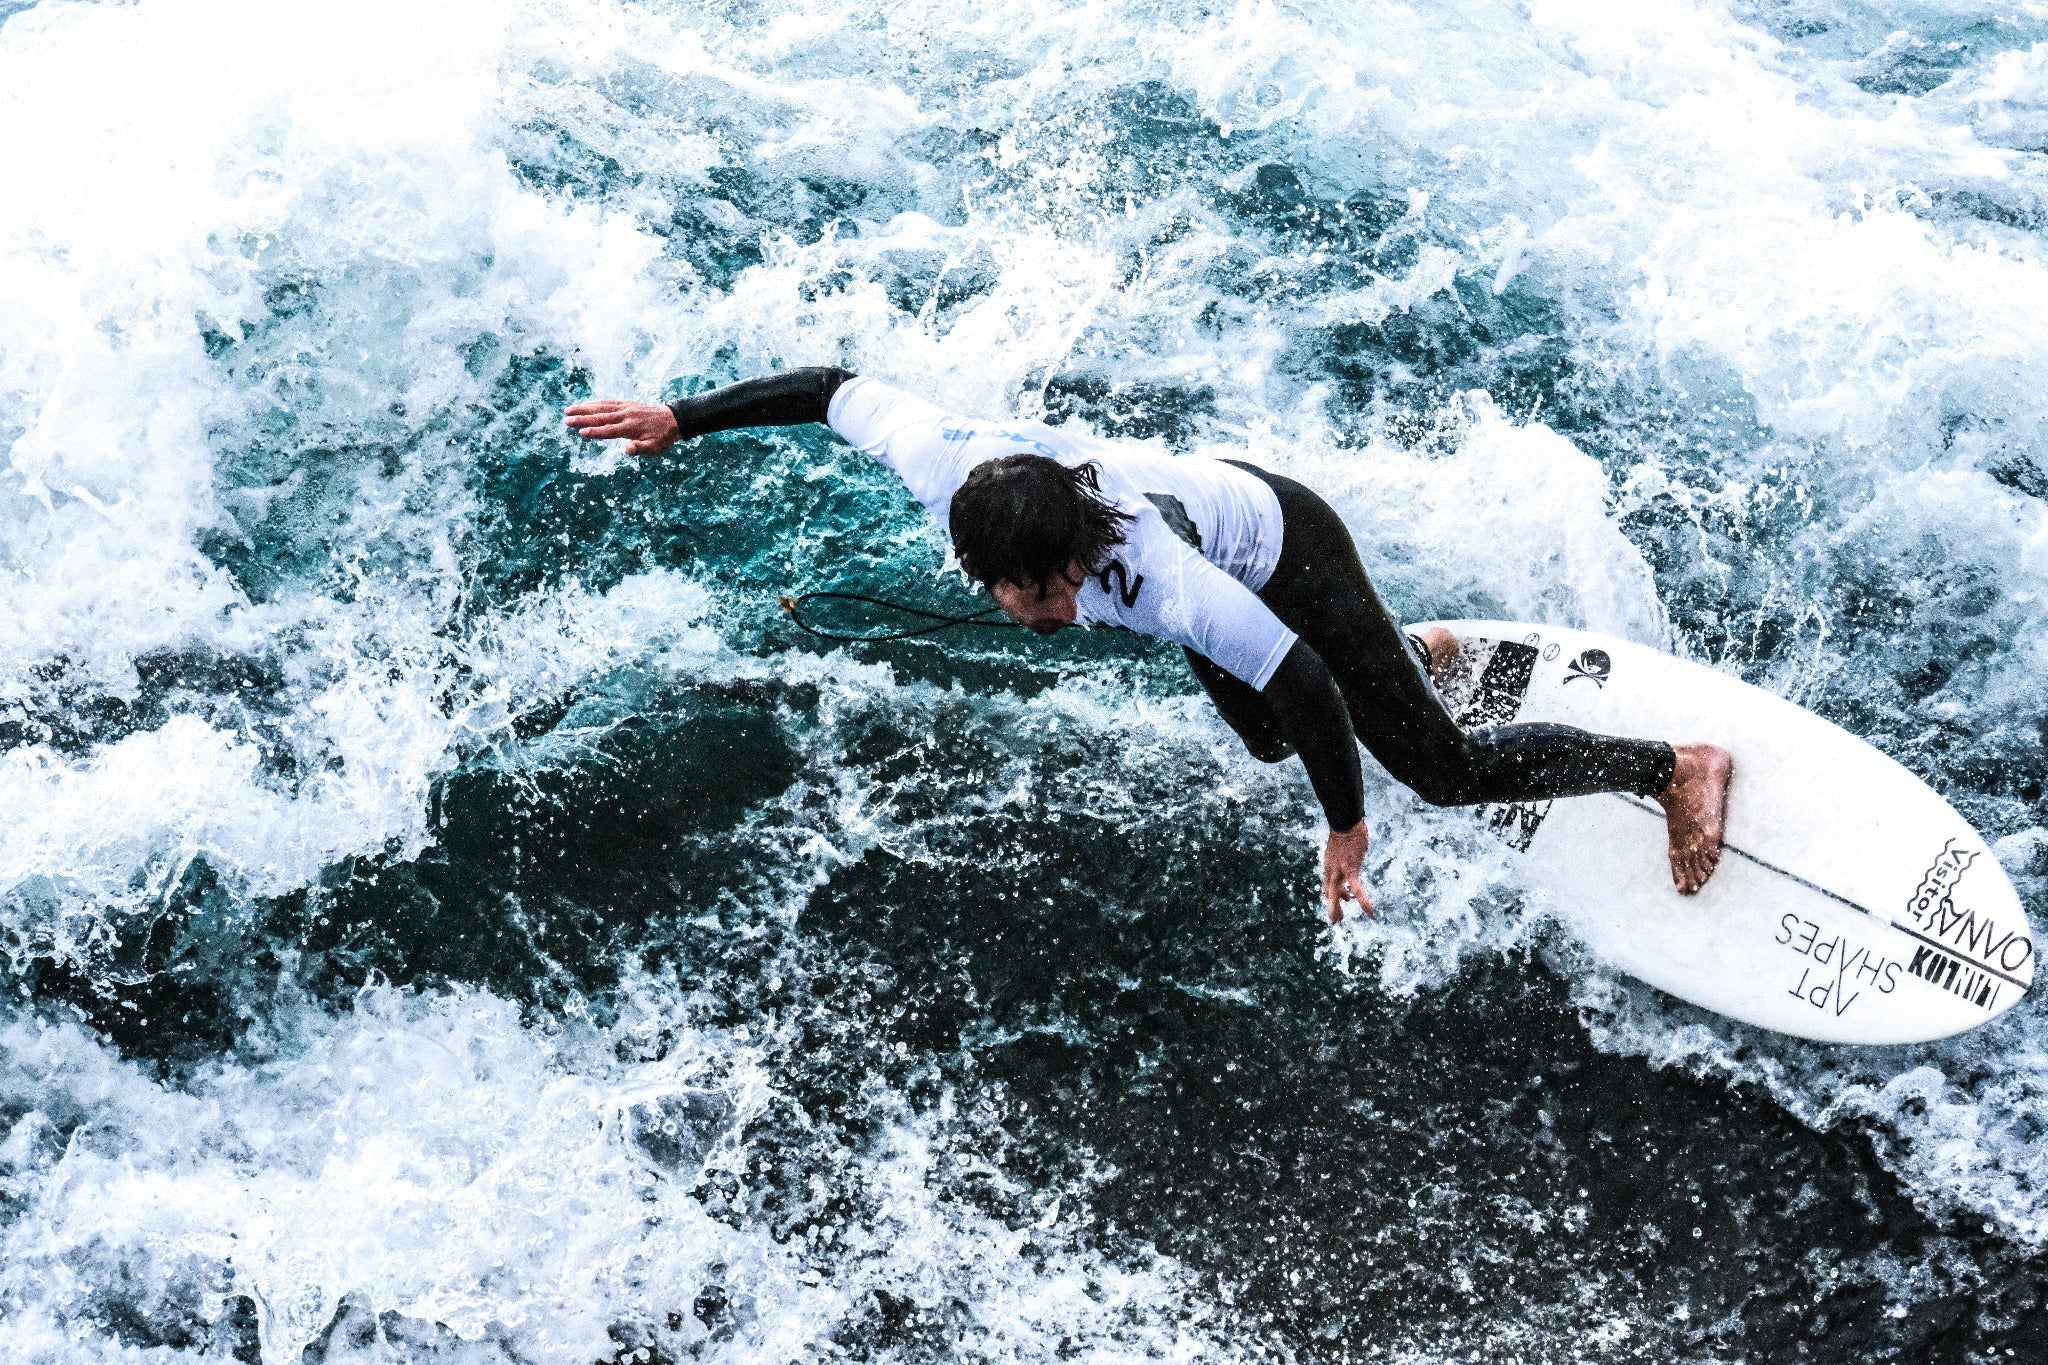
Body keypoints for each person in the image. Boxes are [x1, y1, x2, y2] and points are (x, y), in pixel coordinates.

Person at [566, 368, 1731, 921]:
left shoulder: (1162, 583)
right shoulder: (940, 465)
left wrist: (1347, 827)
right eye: (1025, 598)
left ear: (1081, 555)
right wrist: (684, 419)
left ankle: (1671, 767)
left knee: (1438, 769)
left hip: (1282, 553)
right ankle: (1412, 654)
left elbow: (1304, 675)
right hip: (1233, 568)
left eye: (1059, 593)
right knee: (1267, 745)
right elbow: (829, 388)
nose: (1048, 615)